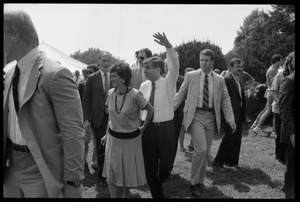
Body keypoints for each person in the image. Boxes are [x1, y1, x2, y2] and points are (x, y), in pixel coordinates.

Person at [3, 10, 85, 198]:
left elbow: (73, 133)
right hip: (11, 168)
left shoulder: (56, 74)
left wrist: (73, 181)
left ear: (14, 34)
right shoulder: (9, 75)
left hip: (41, 169)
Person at [173, 49, 236, 197]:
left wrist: (230, 118)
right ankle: (194, 184)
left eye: (206, 60)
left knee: (206, 152)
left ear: (212, 61)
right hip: (196, 116)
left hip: (212, 118)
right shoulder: (191, 76)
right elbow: (180, 95)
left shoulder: (220, 79)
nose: (203, 63)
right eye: (201, 60)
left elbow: (225, 99)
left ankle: (200, 181)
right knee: (200, 150)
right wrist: (168, 112)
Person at [100, 62, 154, 198]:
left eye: (114, 76)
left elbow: (150, 109)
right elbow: (110, 117)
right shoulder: (111, 93)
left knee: (126, 174)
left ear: (123, 78)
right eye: (111, 76)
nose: (111, 79)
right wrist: (106, 134)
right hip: (113, 140)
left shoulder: (135, 94)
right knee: (111, 173)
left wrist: (144, 127)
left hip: (130, 141)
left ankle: (125, 194)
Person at [139, 32, 179, 198]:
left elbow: (174, 64)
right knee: (149, 164)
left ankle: (161, 179)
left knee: (166, 164)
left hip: (166, 129)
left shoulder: (169, 82)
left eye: (147, 68)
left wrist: (168, 46)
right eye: (143, 68)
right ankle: (157, 193)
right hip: (148, 129)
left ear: (158, 69)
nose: (144, 71)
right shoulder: (143, 86)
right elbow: (141, 109)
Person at [83, 51, 113, 185]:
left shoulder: (115, 76)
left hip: (114, 117)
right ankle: (102, 176)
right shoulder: (92, 78)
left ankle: (113, 174)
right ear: (99, 61)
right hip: (98, 118)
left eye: (108, 61)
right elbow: (86, 100)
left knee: (113, 147)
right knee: (101, 147)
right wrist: (86, 119)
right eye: (104, 60)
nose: (106, 63)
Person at [213, 58, 246, 168]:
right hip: (230, 113)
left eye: (241, 67)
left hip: (237, 113)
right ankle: (218, 161)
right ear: (230, 68)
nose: (240, 69)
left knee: (236, 138)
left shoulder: (236, 79)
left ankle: (231, 162)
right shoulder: (227, 79)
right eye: (237, 67)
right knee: (230, 137)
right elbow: (223, 99)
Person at [251, 54, 283, 136]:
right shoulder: (272, 70)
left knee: (267, 111)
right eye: (281, 61)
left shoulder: (273, 70)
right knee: (271, 111)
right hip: (272, 93)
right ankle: (260, 128)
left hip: (270, 92)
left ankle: (256, 126)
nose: (282, 62)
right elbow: (274, 84)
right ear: (277, 61)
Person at [278, 51, 295, 199]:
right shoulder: (289, 81)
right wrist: (292, 133)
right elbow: (284, 108)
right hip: (292, 132)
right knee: (293, 169)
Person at [164, 58, 184, 174]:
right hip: (162, 117)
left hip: (176, 117)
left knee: (173, 143)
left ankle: (168, 168)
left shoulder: (183, 80)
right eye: (166, 66)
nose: (169, 68)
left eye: (171, 65)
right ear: (164, 67)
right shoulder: (160, 80)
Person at [78, 65, 98, 169]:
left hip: (96, 117)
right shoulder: (81, 85)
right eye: (85, 72)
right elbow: (79, 101)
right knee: (85, 141)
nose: (87, 74)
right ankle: (84, 160)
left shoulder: (99, 85)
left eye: (89, 72)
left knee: (96, 141)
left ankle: (95, 161)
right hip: (84, 116)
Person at [178, 67, 195, 152]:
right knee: (183, 127)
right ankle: (181, 146)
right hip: (183, 108)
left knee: (194, 126)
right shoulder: (182, 83)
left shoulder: (196, 83)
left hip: (194, 108)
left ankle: (192, 145)